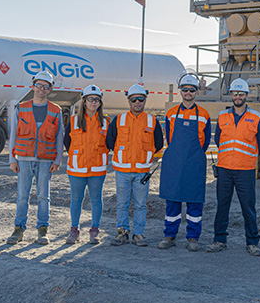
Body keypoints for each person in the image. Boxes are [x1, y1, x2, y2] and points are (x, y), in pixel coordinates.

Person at [206, 78, 260, 256]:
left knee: (248, 207)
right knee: (222, 206)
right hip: (224, 168)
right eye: (235, 93)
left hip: (245, 170)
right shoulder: (223, 117)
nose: (238, 97)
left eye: (241, 94)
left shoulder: (256, 118)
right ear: (231, 95)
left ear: (246, 95)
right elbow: (218, 140)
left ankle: (252, 242)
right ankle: (219, 240)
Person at [6, 71, 65, 245]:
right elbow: (14, 134)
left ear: (50, 90)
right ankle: (18, 229)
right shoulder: (21, 108)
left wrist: (57, 160)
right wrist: (12, 159)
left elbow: (59, 137)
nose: (42, 89)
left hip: (46, 160)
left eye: (46, 87)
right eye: (39, 85)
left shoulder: (56, 110)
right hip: (24, 159)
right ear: (33, 87)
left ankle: (42, 230)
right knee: (22, 196)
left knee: (43, 196)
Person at [157, 74, 211, 251]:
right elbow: (169, 140)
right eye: (185, 90)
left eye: (192, 90)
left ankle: (193, 238)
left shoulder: (204, 115)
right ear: (181, 91)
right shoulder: (171, 114)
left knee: (195, 202)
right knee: (172, 201)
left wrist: (192, 156)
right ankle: (169, 235)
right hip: (175, 164)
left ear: (197, 92)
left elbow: (204, 143)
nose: (188, 93)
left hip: (194, 166)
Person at [106, 84, 164, 247]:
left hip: (142, 172)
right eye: (134, 99)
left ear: (145, 100)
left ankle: (138, 234)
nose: (137, 102)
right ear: (129, 100)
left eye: (140, 99)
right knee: (122, 204)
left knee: (140, 205)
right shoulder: (119, 119)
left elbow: (159, 143)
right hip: (122, 171)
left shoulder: (152, 121)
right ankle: (122, 233)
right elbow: (110, 141)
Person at [63, 85, 109, 244]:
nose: (93, 102)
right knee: (76, 199)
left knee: (96, 199)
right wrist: (78, 156)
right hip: (77, 169)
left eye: (97, 100)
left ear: (100, 103)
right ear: (84, 101)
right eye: (90, 99)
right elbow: (67, 142)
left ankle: (94, 230)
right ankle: (74, 230)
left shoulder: (105, 122)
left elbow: (110, 143)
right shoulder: (74, 121)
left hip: (97, 168)